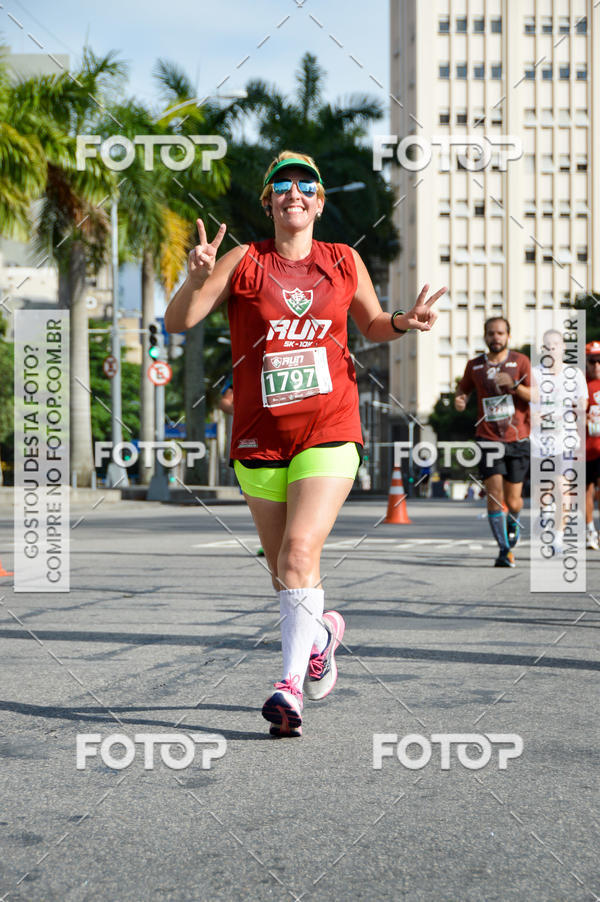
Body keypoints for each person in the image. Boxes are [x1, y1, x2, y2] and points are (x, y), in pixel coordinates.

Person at [165, 150, 446, 737]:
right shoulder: (244, 261)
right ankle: (320, 636)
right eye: (282, 185)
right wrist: (195, 276)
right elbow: (179, 322)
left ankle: (289, 687)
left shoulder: (342, 259)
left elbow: (371, 323)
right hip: (259, 438)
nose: (294, 192)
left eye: (306, 185)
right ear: (269, 202)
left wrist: (403, 320)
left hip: (329, 430)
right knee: (286, 575)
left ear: (318, 202)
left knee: (298, 555)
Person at [454, 317, 531, 567]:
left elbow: (536, 395)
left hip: (518, 437)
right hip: (488, 438)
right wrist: (461, 399)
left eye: (500, 333)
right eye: (491, 333)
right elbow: (463, 389)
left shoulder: (521, 361)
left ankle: (513, 522)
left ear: (508, 336)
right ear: (485, 336)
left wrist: (514, 385)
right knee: (494, 495)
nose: (495, 337)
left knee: (514, 500)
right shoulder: (475, 365)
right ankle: (504, 550)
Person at [530, 330, 587, 554]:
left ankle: (559, 536)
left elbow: (582, 402)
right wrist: (533, 416)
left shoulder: (574, 373)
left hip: (565, 439)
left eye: (556, 343)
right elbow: (524, 404)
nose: (552, 347)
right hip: (539, 440)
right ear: (542, 349)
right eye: (547, 344)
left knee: (563, 486)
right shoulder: (534, 373)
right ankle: (546, 513)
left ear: (563, 347)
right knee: (541, 492)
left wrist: (576, 407)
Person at [585, 341, 600, 550]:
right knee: (585, 490)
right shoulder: (580, 384)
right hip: (584, 447)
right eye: (592, 361)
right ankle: (590, 531)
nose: (596, 365)